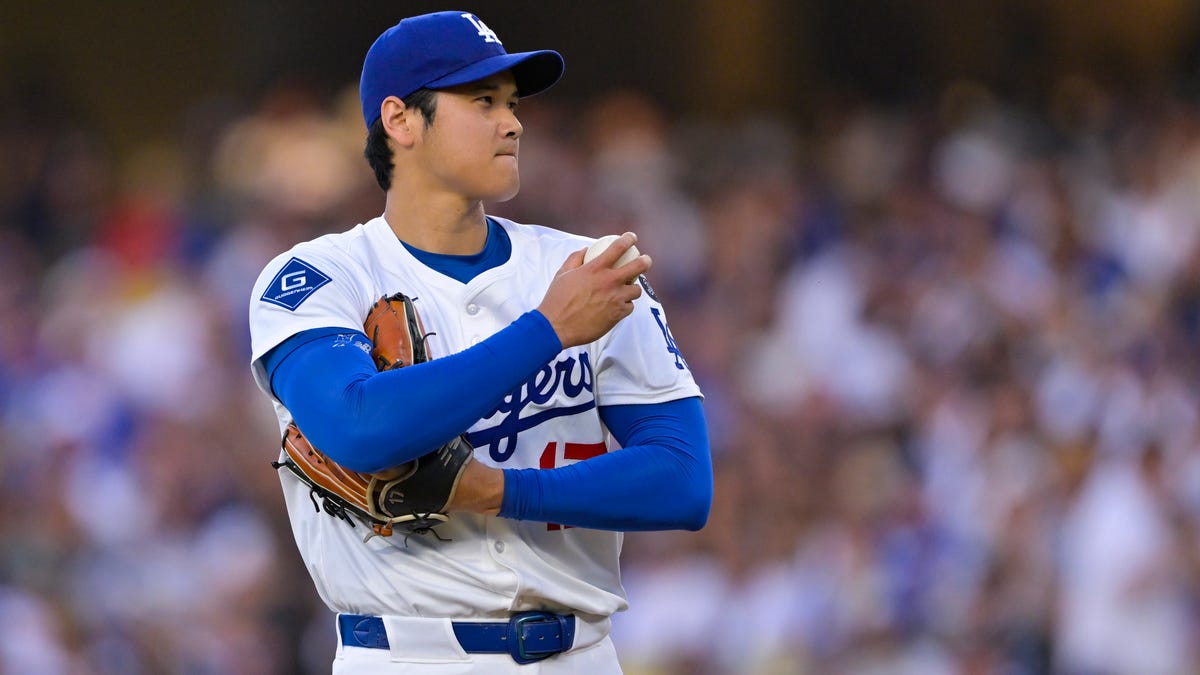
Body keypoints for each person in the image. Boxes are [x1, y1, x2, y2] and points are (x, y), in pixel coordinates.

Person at [247, 10, 712, 673]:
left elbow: (682, 481)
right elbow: (357, 427)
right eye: (481, 100)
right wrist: (548, 330)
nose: (513, 122)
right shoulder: (321, 275)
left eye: (513, 103)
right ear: (402, 120)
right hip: (404, 656)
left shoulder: (589, 269)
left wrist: (501, 492)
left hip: (576, 653)